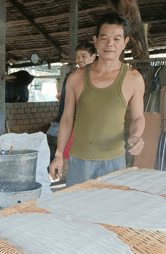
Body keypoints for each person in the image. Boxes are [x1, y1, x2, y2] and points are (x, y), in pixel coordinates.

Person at [49, 12, 145, 187]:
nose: (110, 44)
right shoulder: (76, 78)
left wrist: (136, 136)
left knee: (110, 211)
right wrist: (58, 155)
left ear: (125, 43)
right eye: (104, 38)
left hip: (114, 161)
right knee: (77, 210)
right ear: (95, 41)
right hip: (79, 160)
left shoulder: (134, 79)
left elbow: (138, 117)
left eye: (117, 39)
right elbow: (67, 119)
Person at [54, 41, 97, 180]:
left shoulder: (100, 78)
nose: (80, 60)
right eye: (78, 56)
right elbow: (64, 109)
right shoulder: (70, 77)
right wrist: (64, 124)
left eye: (84, 56)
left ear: (94, 57)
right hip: (74, 125)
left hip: (94, 127)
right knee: (73, 164)